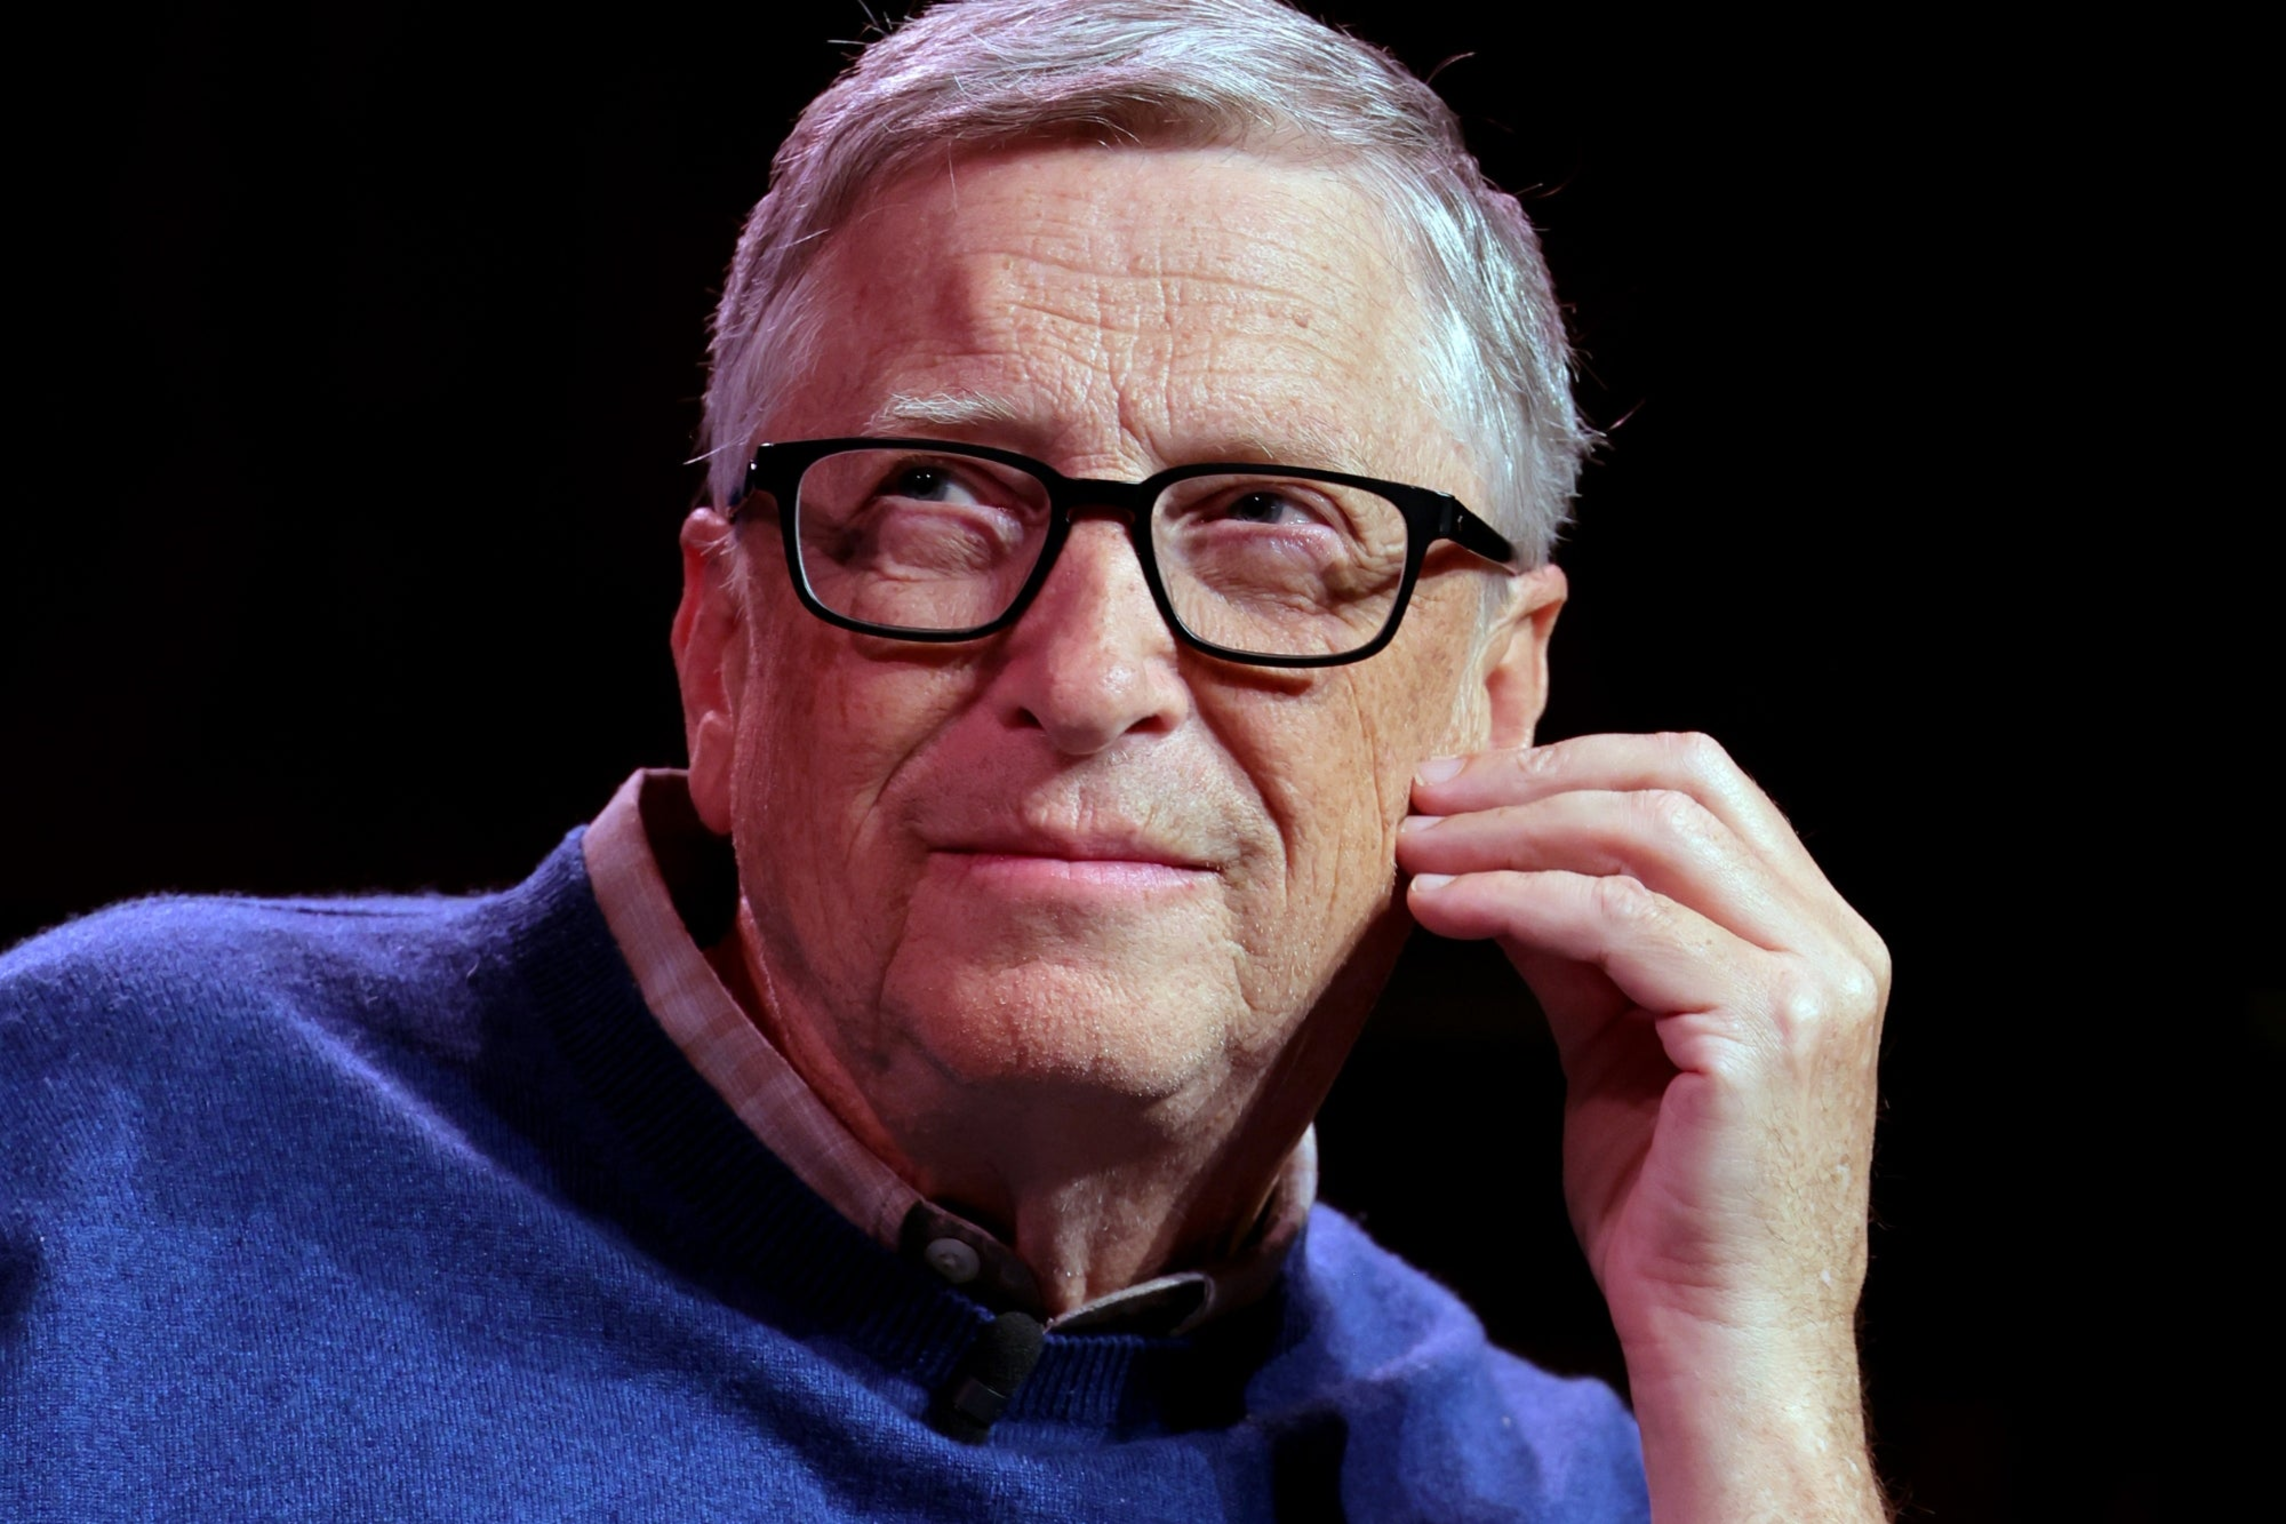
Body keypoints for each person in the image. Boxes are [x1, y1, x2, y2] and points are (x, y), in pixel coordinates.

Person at [0, 0, 1889, 1518]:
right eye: (935, 495)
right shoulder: (89, 1134)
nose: (1090, 675)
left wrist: (1766, 1392)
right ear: (722, 650)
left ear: (1491, 699)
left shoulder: (1589, 1489)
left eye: (1268, 520)